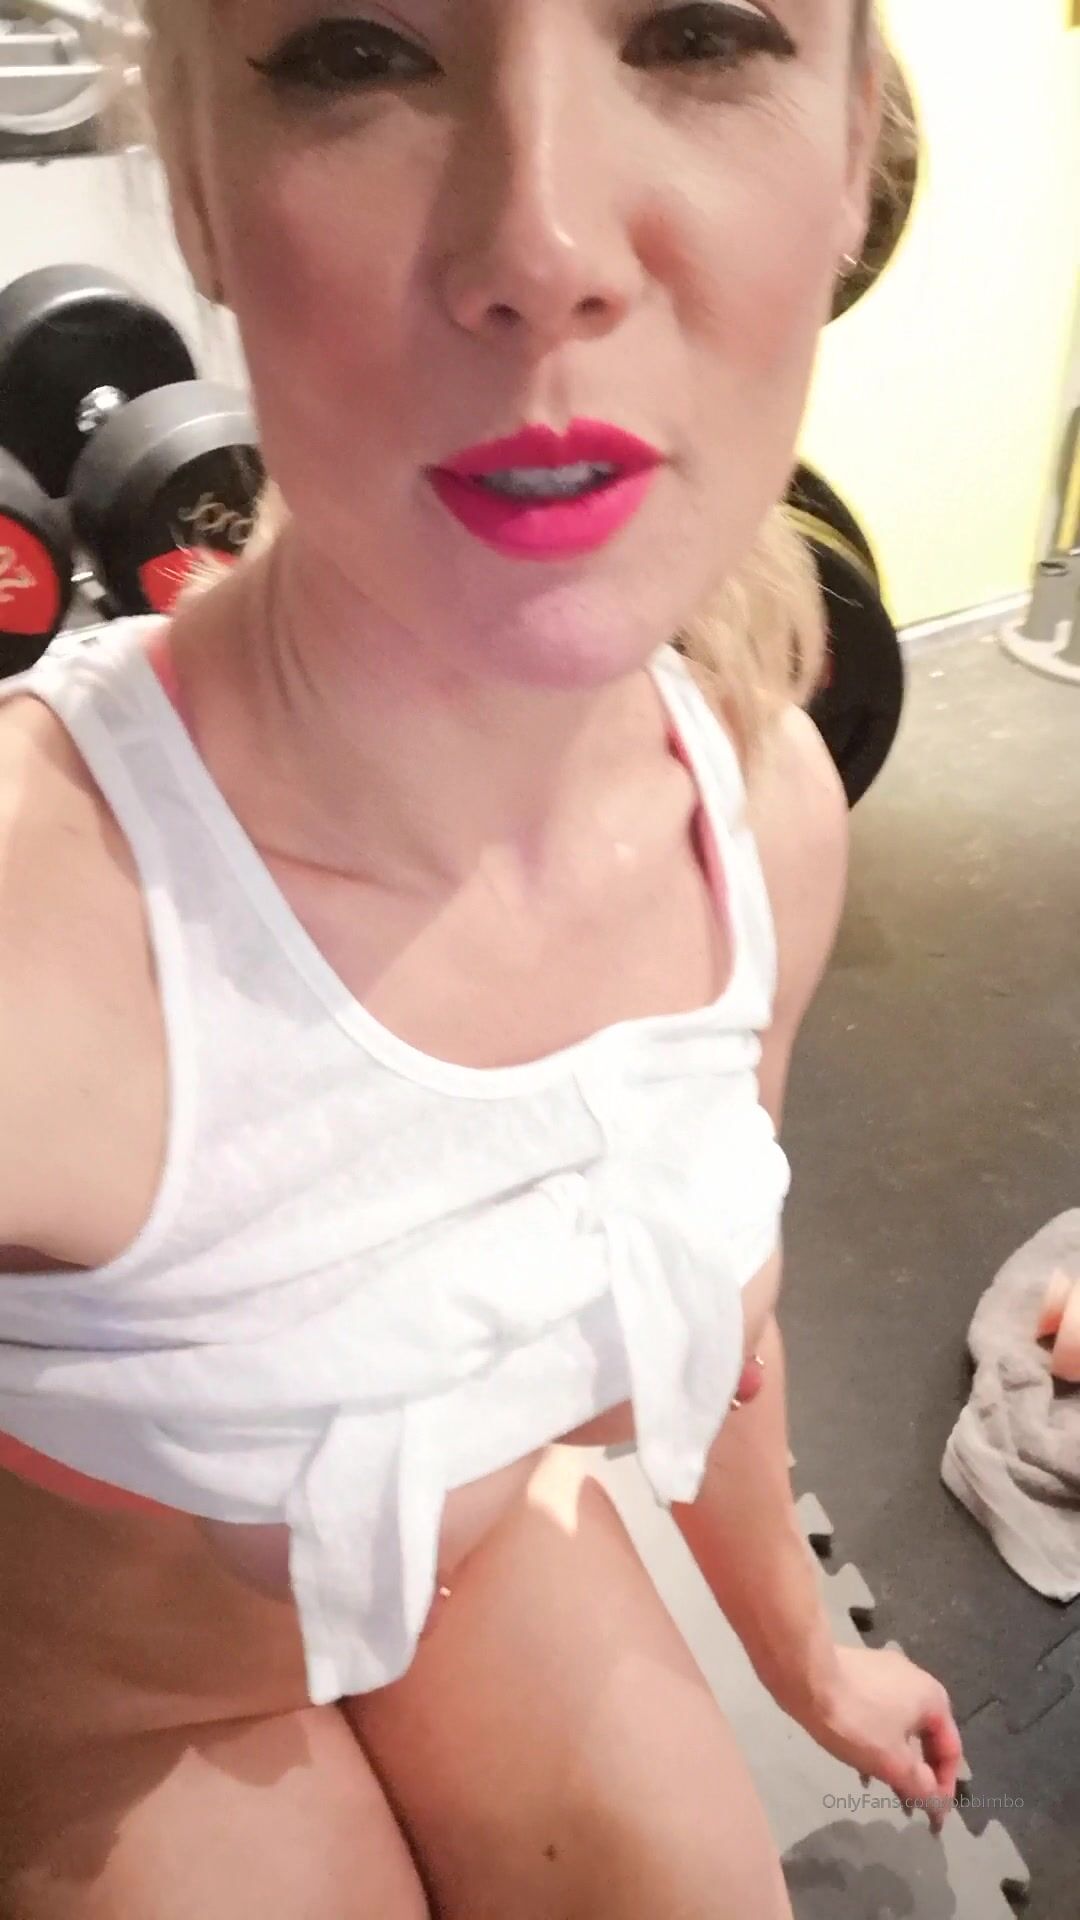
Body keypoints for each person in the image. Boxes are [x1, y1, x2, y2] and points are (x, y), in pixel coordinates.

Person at [0, 2, 963, 1914]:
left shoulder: (765, 811)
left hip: (470, 1562)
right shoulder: (43, 921)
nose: (545, 247)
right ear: (195, 189)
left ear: (854, 153)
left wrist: (809, 1654)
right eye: (359, 50)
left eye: (701, 30)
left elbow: (724, 1324)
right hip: (126, 1711)